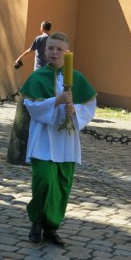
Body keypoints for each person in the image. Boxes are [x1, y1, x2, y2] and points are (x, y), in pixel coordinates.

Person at [21, 32, 96, 247]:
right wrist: (57, 101)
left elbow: (90, 107)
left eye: (59, 49)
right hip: (44, 138)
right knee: (44, 180)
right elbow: (32, 106)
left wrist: (75, 110)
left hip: (66, 140)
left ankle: (51, 227)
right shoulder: (37, 77)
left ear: (67, 52)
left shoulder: (77, 78)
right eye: (50, 48)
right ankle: (36, 222)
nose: (54, 52)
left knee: (63, 184)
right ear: (44, 51)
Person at [8, 21, 53, 165]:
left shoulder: (39, 38)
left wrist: (19, 58)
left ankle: (34, 108)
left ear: (41, 28)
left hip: (39, 71)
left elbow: (30, 50)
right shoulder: (52, 39)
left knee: (33, 94)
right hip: (49, 72)